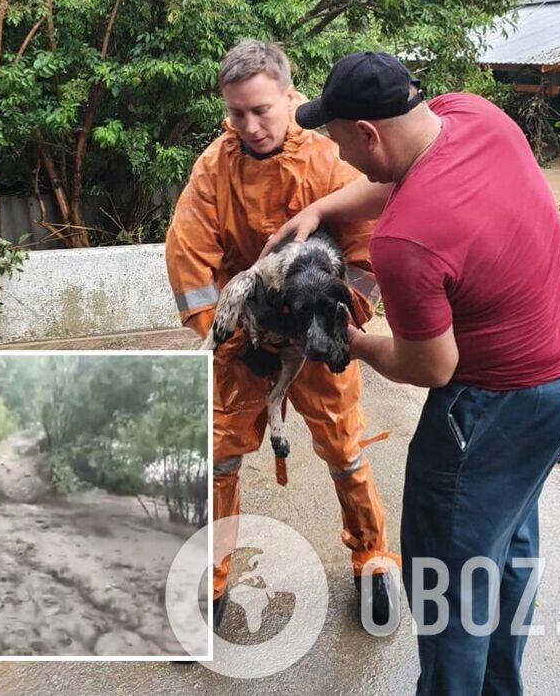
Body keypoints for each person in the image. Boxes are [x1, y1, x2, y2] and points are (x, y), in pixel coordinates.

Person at [268, 52, 560, 696]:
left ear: (368, 132)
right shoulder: (472, 115)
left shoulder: (406, 242)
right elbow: (400, 176)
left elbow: (430, 365)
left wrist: (352, 342)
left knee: (448, 578)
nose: (345, 159)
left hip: (495, 411)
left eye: (342, 143)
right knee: (504, 547)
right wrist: (324, 210)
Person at [164, 39, 399, 635]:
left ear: (290, 97)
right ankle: (214, 574)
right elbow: (190, 258)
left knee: (346, 452)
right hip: (244, 339)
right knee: (219, 458)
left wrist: (345, 320)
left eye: (262, 110)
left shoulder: (329, 158)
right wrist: (226, 333)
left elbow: (368, 249)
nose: (251, 124)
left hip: (320, 335)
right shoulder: (215, 167)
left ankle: (371, 558)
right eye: (238, 112)